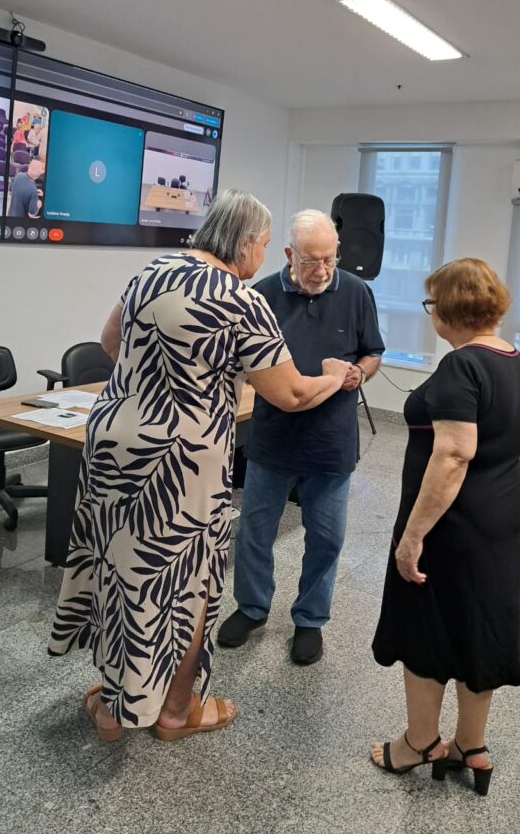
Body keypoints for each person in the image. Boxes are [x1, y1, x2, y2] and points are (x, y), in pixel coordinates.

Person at [48, 190, 350, 742]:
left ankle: (113, 707)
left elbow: (111, 342)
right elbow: (291, 394)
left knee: (119, 569)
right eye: (264, 244)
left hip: (113, 443)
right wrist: (333, 377)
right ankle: (176, 710)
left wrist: (161, 382)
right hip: (182, 461)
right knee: (189, 583)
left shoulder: (153, 271)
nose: (263, 255)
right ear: (245, 243)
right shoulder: (240, 301)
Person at [370, 258, 520, 796]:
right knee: (476, 624)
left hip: (453, 523)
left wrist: (413, 536)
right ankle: (472, 745)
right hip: (500, 514)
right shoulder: (514, 360)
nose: (430, 314)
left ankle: (419, 743)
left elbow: (453, 454)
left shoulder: (460, 366)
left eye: (431, 305)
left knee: (427, 627)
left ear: (447, 310)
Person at [217, 209, 384, 665]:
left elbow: (373, 352)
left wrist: (359, 373)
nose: (323, 270)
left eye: (330, 259)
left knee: (326, 538)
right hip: (273, 439)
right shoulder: (262, 296)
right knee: (254, 532)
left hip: (331, 443)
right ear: (290, 254)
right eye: (311, 261)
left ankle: (310, 620)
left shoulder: (356, 291)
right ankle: (251, 608)